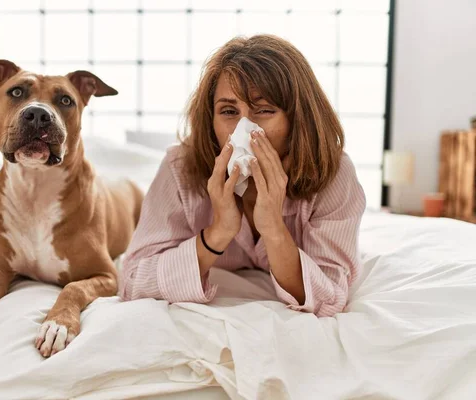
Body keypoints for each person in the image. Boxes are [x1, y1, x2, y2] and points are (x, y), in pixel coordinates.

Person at [118, 34, 366, 317]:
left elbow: (329, 297)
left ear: (297, 119)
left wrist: (273, 228)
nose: (243, 129)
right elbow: (133, 281)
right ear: (210, 119)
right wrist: (218, 232)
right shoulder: (180, 167)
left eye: (264, 110)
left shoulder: (334, 173)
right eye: (228, 111)